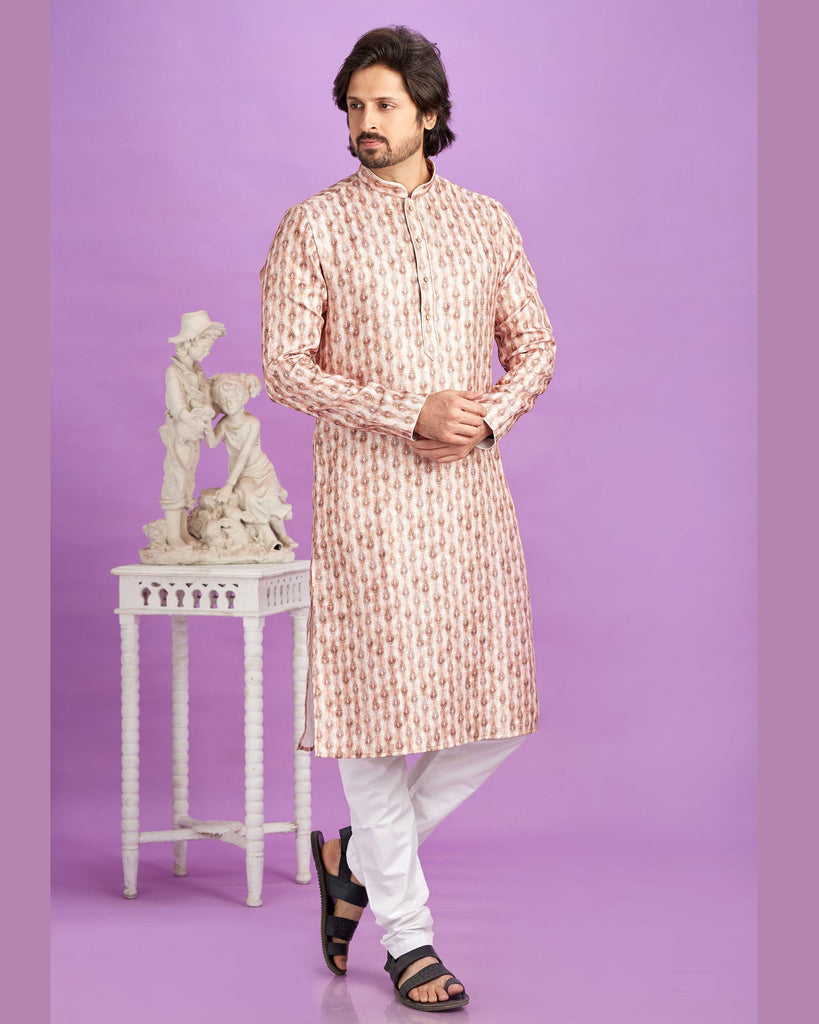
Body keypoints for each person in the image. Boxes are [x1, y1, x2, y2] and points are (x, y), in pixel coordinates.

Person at [260, 25, 556, 1011]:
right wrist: (407, 412)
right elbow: (286, 367)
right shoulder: (314, 225)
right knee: (376, 725)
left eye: (384, 104)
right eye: (354, 105)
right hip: (369, 506)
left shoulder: (486, 222)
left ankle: (354, 861)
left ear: (428, 112)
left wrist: (482, 419)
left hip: (467, 500)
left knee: (497, 709)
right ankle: (409, 938)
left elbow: (536, 347)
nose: (365, 122)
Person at [206, 372, 297, 551]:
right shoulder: (224, 424)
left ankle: (283, 536)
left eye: (232, 398)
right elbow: (211, 443)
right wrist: (206, 420)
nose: (228, 404)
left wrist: (228, 486)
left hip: (262, 470)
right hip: (243, 475)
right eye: (224, 400)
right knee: (250, 498)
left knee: (270, 499)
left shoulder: (252, 423)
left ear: (243, 398)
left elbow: (243, 455)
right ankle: (270, 540)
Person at [159, 311, 225, 547]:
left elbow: (206, 402)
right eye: (205, 345)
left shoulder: (198, 372)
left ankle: (183, 532)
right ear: (190, 343)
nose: (208, 351)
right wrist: (190, 418)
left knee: (187, 480)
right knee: (176, 478)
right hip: (180, 434)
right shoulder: (174, 372)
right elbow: (176, 404)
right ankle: (173, 536)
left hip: (193, 434)